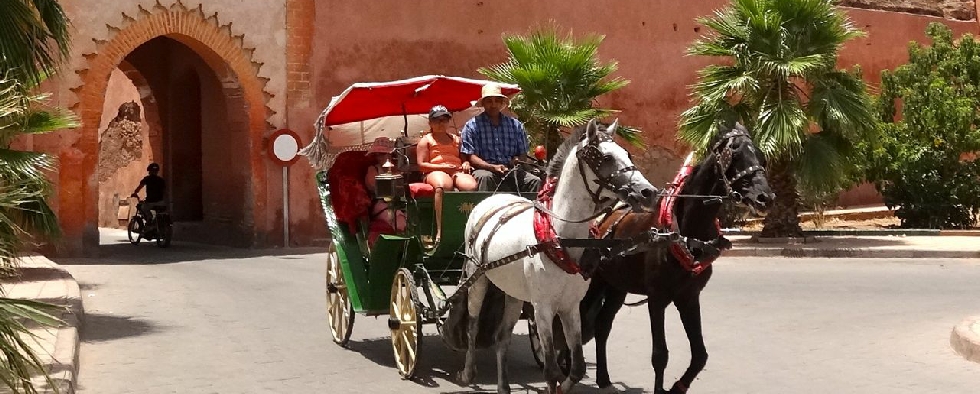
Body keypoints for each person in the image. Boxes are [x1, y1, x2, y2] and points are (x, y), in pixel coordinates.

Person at [460, 83, 541, 193]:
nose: (493, 105)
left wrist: (517, 161)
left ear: (502, 103)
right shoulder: (472, 125)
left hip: (511, 170)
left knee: (534, 180)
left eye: (497, 101)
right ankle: (485, 210)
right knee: (485, 178)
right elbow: (471, 156)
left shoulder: (515, 125)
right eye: (489, 101)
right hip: (484, 170)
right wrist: (492, 167)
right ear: (483, 103)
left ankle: (532, 210)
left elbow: (522, 153)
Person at [416, 105, 478, 245]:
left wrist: (466, 163)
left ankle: (468, 227)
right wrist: (441, 167)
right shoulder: (426, 140)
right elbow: (422, 165)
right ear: (430, 122)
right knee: (442, 185)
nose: (441, 123)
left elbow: (464, 159)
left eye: (444, 120)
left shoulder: (456, 139)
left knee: (471, 186)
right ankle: (441, 230)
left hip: (456, 171)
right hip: (434, 171)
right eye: (437, 120)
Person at [364, 137, 407, 233]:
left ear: (391, 154)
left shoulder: (399, 169)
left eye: (382, 154)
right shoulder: (373, 169)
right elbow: (373, 186)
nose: (379, 157)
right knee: (398, 220)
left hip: (401, 203)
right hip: (381, 203)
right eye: (377, 154)